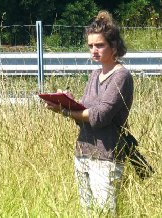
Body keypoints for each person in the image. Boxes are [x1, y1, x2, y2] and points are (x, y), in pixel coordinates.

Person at [44, 10, 134, 215]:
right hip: (83, 154)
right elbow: (84, 115)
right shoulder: (94, 74)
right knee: (88, 213)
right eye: (91, 46)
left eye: (100, 45)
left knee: (105, 213)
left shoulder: (122, 76)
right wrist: (67, 102)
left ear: (114, 46)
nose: (94, 50)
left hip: (106, 158)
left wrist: (65, 111)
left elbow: (99, 117)